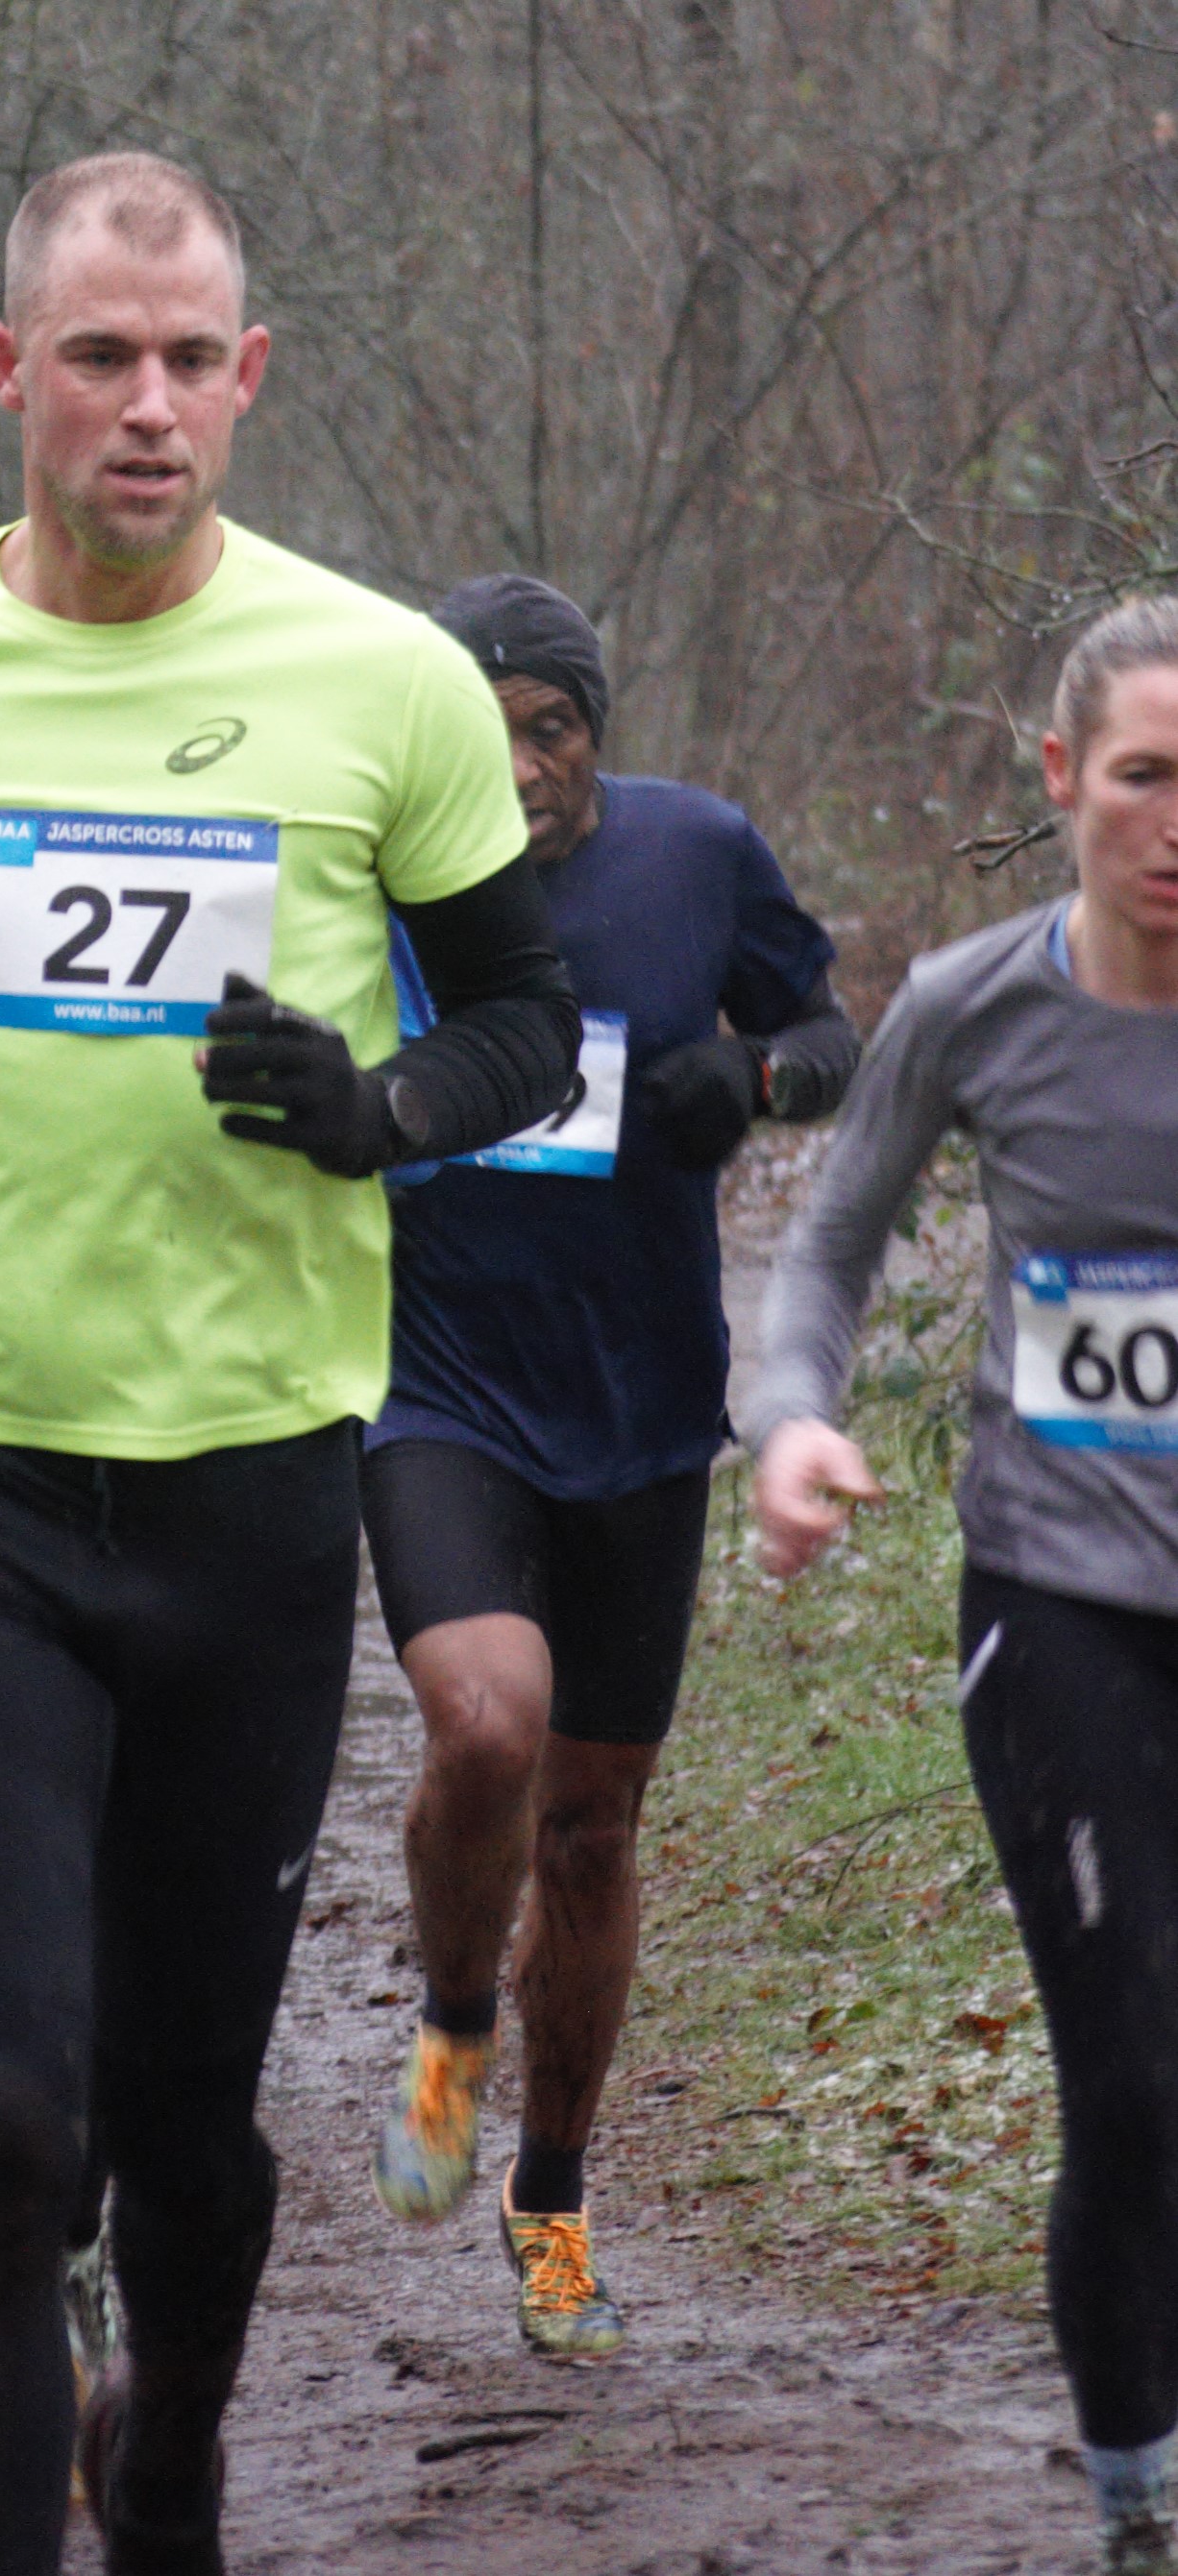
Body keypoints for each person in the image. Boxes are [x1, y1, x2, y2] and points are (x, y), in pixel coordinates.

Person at [0, 154, 578, 2576]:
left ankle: (165, 2442)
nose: (148, 404)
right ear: (10, 373)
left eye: (191, 360)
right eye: (99, 356)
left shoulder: (381, 680)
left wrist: (379, 1109)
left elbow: (521, 1019)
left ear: (250, 378)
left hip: (247, 1482)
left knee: (183, 2130)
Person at [360, 573, 859, 2357]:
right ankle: (450, 2021)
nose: (518, 766)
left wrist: (753, 1077)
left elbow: (830, 1040)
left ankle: (552, 2197)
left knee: (587, 1830)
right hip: (435, 1391)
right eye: (481, 729)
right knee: (485, 1727)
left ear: (595, 734)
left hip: (642, 1410)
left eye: (549, 728)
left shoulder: (694, 853)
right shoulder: (375, 864)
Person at [749, 594, 1178, 2576]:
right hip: (1059, 1600)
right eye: (1144, 777)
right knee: (1136, 2071)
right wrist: (792, 1421)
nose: (1173, 822)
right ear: (1062, 779)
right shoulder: (971, 1001)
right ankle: (1135, 2500)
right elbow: (829, 1246)